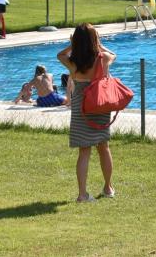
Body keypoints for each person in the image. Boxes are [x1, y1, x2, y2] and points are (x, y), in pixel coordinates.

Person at [56, 23, 116, 203]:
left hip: (81, 108)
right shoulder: (103, 58)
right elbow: (113, 55)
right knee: (103, 147)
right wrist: (99, 44)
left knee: (84, 151)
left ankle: (82, 194)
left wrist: (72, 45)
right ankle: (108, 187)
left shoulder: (73, 62)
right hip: (99, 104)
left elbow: (60, 55)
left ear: (76, 40)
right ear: (93, 39)